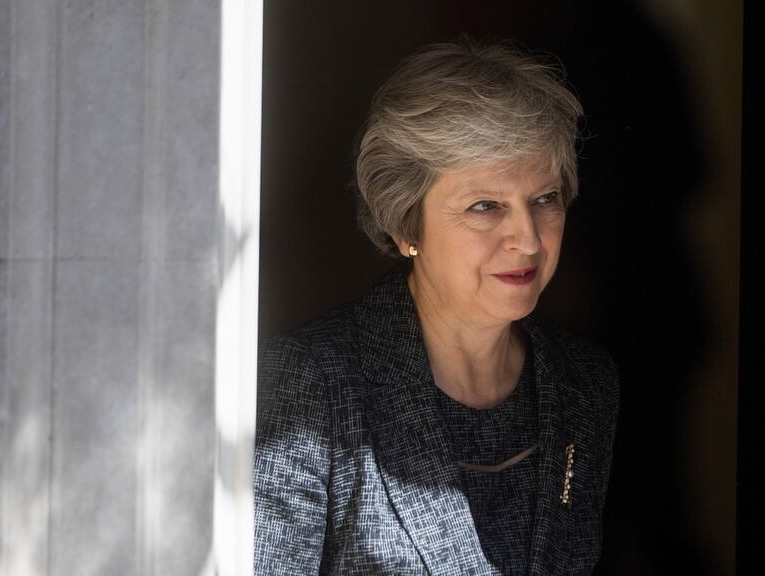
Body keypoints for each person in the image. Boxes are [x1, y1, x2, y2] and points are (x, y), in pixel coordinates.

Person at [255, 41, 619, 575]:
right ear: (405, 226)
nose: (528, 239)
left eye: (545, 198)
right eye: (484, 206)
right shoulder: (311, 382)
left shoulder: (584, 386)